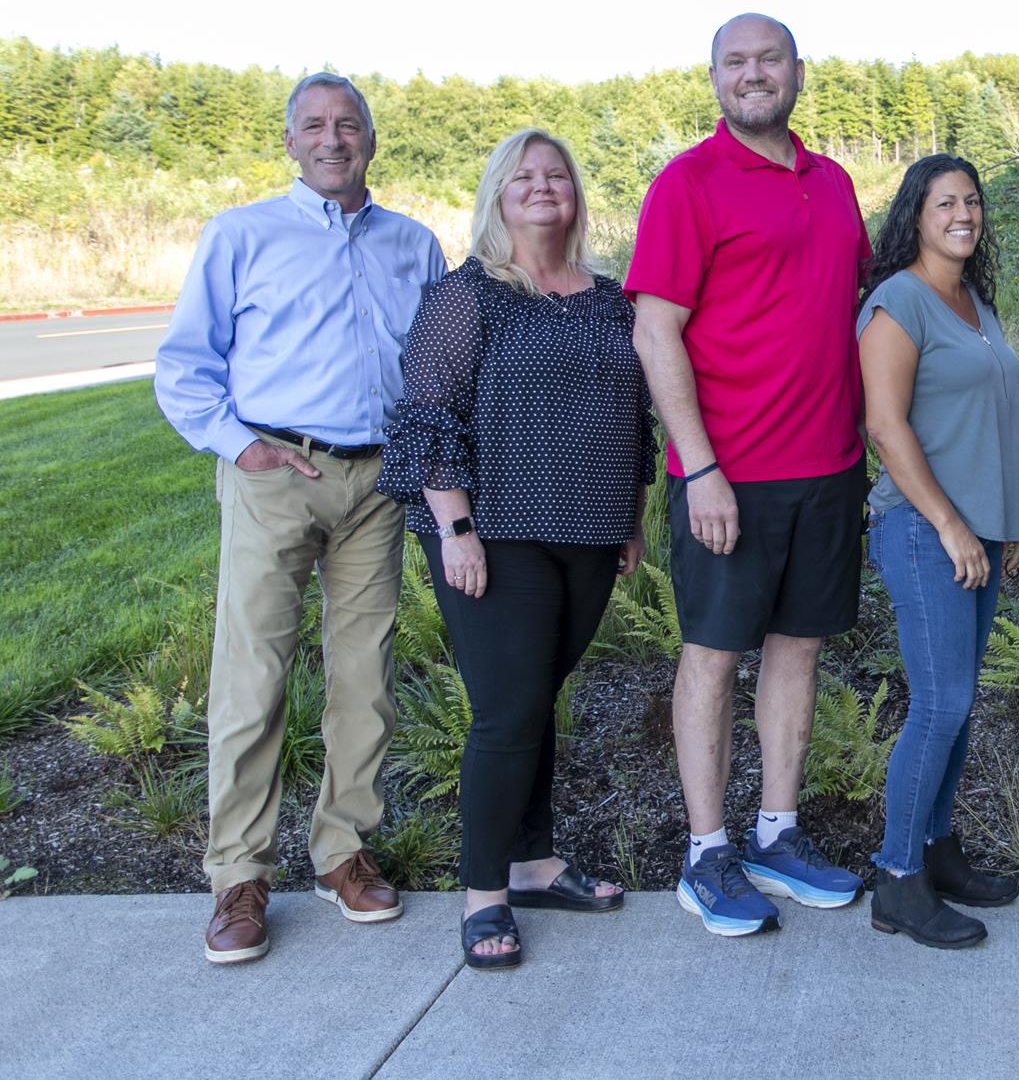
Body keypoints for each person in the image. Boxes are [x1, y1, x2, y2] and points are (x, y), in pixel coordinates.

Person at [154, 73, 447, 964]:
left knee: (367, 676)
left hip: (376, 485)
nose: (332, 139)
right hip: (275, 472)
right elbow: (184, 365)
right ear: (289, 142)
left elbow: (435, 367)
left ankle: (343, 851)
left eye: (347, 124)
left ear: (370, 139)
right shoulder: (241, 236)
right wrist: (238, 445)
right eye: (314, 125)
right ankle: (238, 876)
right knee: (254, 675)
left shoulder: (412, 244)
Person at [378, 129, 653, 969]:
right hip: (493, 534)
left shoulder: (612, 298)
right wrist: (456, 528)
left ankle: (534, 863)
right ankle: (484, 895)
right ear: (497, 196)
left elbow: (630, 413)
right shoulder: (470, 296)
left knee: (537, 701)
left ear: (575, 195)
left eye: (557, 175)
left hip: (590, 530)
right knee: (506, 713)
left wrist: (632, 514)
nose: (543, 187)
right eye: (523, 177)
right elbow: (427, 414)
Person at [629, 13, 869, 936]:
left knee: (797, 649)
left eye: (769, 59)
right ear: (715, 78)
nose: (754, 74)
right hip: (730, 474)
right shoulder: (689, 185)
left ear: (797, 72)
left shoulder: (834, 183)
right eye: (736, 62)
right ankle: (706, 851)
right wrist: (699, 470)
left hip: (829, 467)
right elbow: (656, 331)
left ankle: (776, 831)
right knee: (714, 654)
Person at [859, 155, 1019, 949]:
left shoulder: (974, 303)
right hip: (924, 532)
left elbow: (994, 421)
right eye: (945, 202)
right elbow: (886, 427)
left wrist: (1009, 522)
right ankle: (897, 878)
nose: (963, 213)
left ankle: (934, 849)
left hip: (980, 535)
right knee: (939, 703)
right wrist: (952, 526)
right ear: (915, 216)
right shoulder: (899, 302)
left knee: (956, 707)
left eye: (972, 201)